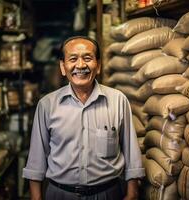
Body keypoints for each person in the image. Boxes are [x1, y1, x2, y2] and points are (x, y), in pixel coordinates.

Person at [23, 36, 144, 200]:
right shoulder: (47, 105)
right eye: (73, 59)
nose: (80, 65)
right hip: (60, 194)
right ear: (63, 67)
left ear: (98, 65)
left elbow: (131, 153)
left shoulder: (118, 101)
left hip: (108, 193)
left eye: (88, 58)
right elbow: (36, 160)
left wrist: (132, 194)